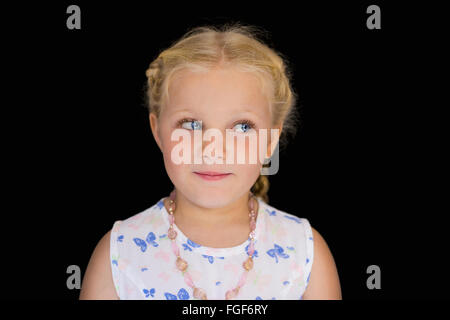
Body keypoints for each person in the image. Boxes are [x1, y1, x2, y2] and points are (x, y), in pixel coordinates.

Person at [79, 23, 342, 300]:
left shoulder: (304, 254)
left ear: (270, 140)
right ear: (158, 131)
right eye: (191, 124)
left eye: (241, 127)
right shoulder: (120, 254)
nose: (213, 150)